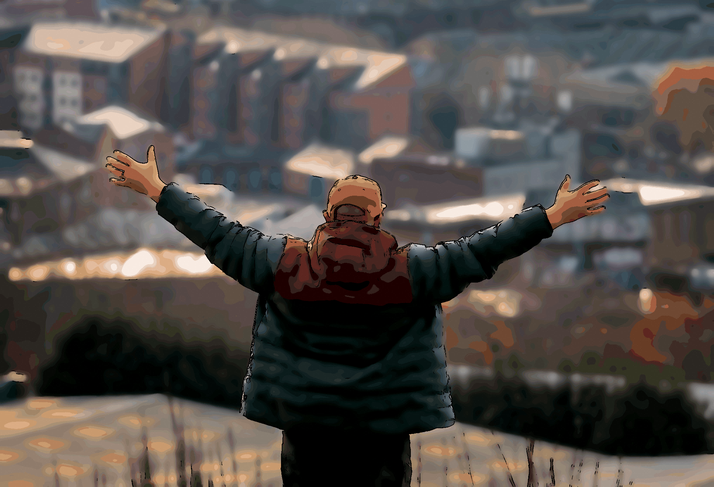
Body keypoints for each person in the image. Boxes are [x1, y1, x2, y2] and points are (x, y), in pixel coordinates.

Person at [105, 146, 609, 487]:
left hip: (305, 427)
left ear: (328, 217)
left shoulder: (283, 262)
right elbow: (484, 249)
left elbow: (216, 232)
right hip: (382, 433)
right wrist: (552, 216)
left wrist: (158, 190)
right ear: (378, 217)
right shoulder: (416, 272)